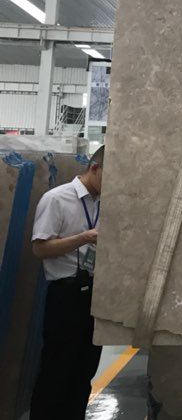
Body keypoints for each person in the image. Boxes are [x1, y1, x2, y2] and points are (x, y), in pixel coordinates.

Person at [29, 146, 105, 420]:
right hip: (65, 296)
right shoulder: (57, 199)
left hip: (93, 296)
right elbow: (40, 248)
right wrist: (84, 238)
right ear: (94, 168)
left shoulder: (103, 204)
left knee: (84, 371)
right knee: (56, 372)